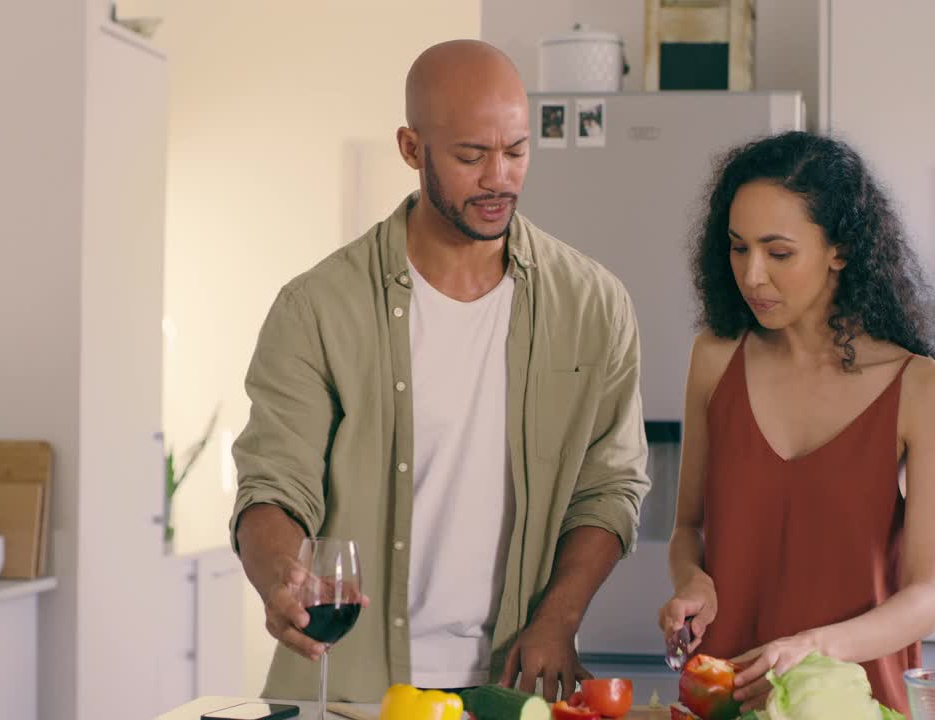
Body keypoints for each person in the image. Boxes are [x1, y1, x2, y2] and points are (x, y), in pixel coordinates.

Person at [230, 40, 650, 703]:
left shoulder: (595, 305)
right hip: (349, 688)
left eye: (515, 151)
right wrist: (282, 574)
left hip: (515, 690)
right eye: (470, 156)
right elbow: (273, 483)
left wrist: (557, 620)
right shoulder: (317, 307)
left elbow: (610, 487)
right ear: (410, 147)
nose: (499, 179)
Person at [657, 131, 935, 714]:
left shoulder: (924, 390)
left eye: (778, 253)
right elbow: (687, 527)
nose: (751, 276)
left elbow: (925, 597)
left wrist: (812, 647)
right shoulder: (715, 359)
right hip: (726, 700)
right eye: (737, 247)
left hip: (856, 703)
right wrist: (692, 582)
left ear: (840, 249)